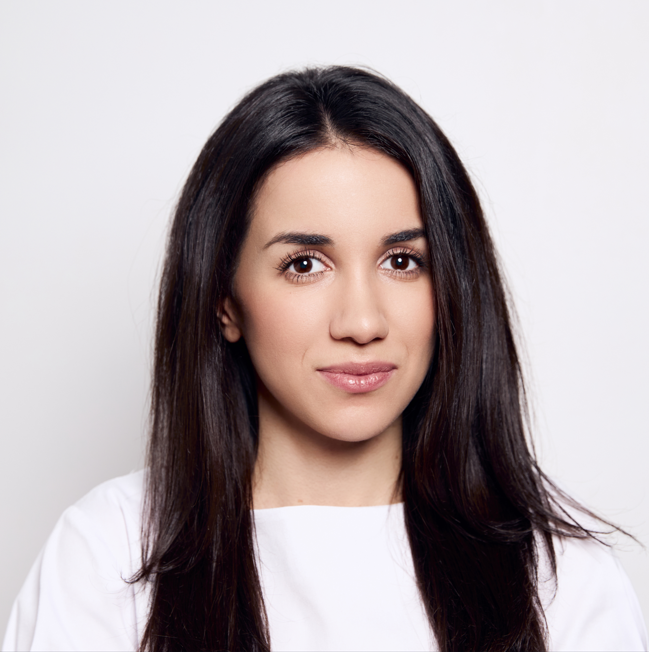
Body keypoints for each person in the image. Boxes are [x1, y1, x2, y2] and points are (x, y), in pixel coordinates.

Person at [3, 66, 647, 652]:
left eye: (403, 261)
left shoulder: (560, 574)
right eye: (305, 264)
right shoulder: (109, 553)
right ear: (225, 300)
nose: (362, 323)